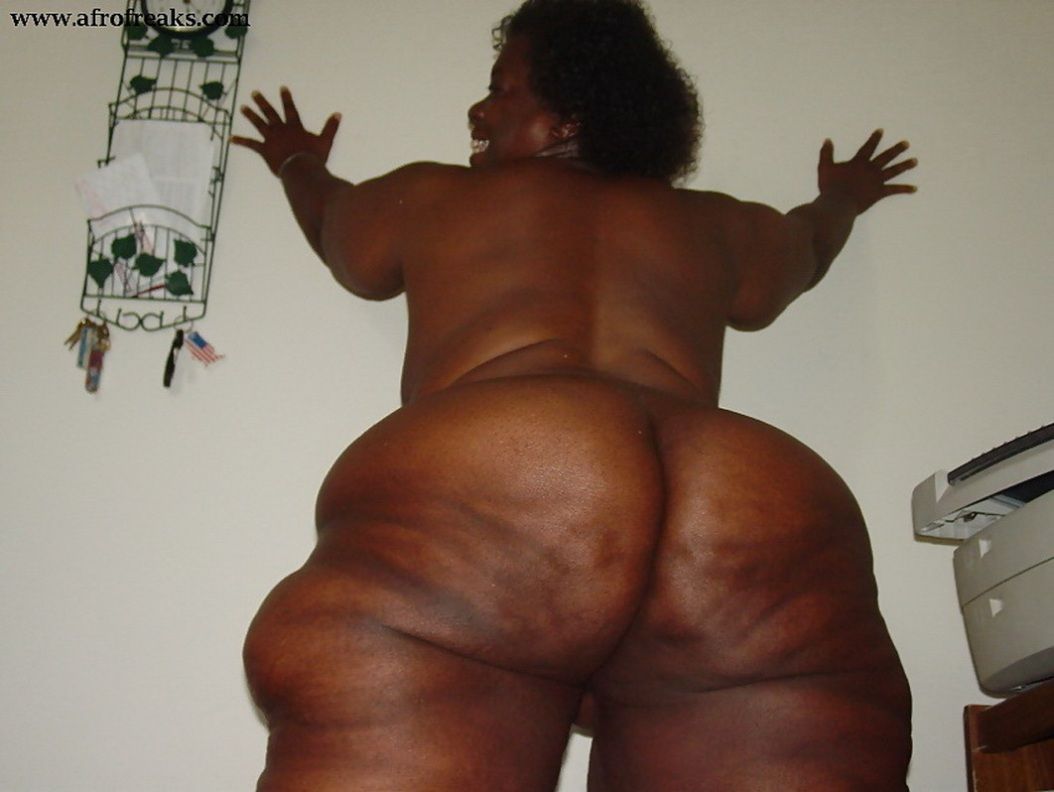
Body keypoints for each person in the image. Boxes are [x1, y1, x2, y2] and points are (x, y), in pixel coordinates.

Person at [234, 0, 917, 789]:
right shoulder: (721, 225)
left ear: (568, 120)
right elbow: (808, 246)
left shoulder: (432, 197)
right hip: (740, 498)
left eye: (502, 89)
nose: (479, 110)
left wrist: (296, 161)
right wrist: (843, 197)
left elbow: (336, 228)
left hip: (505, 478)